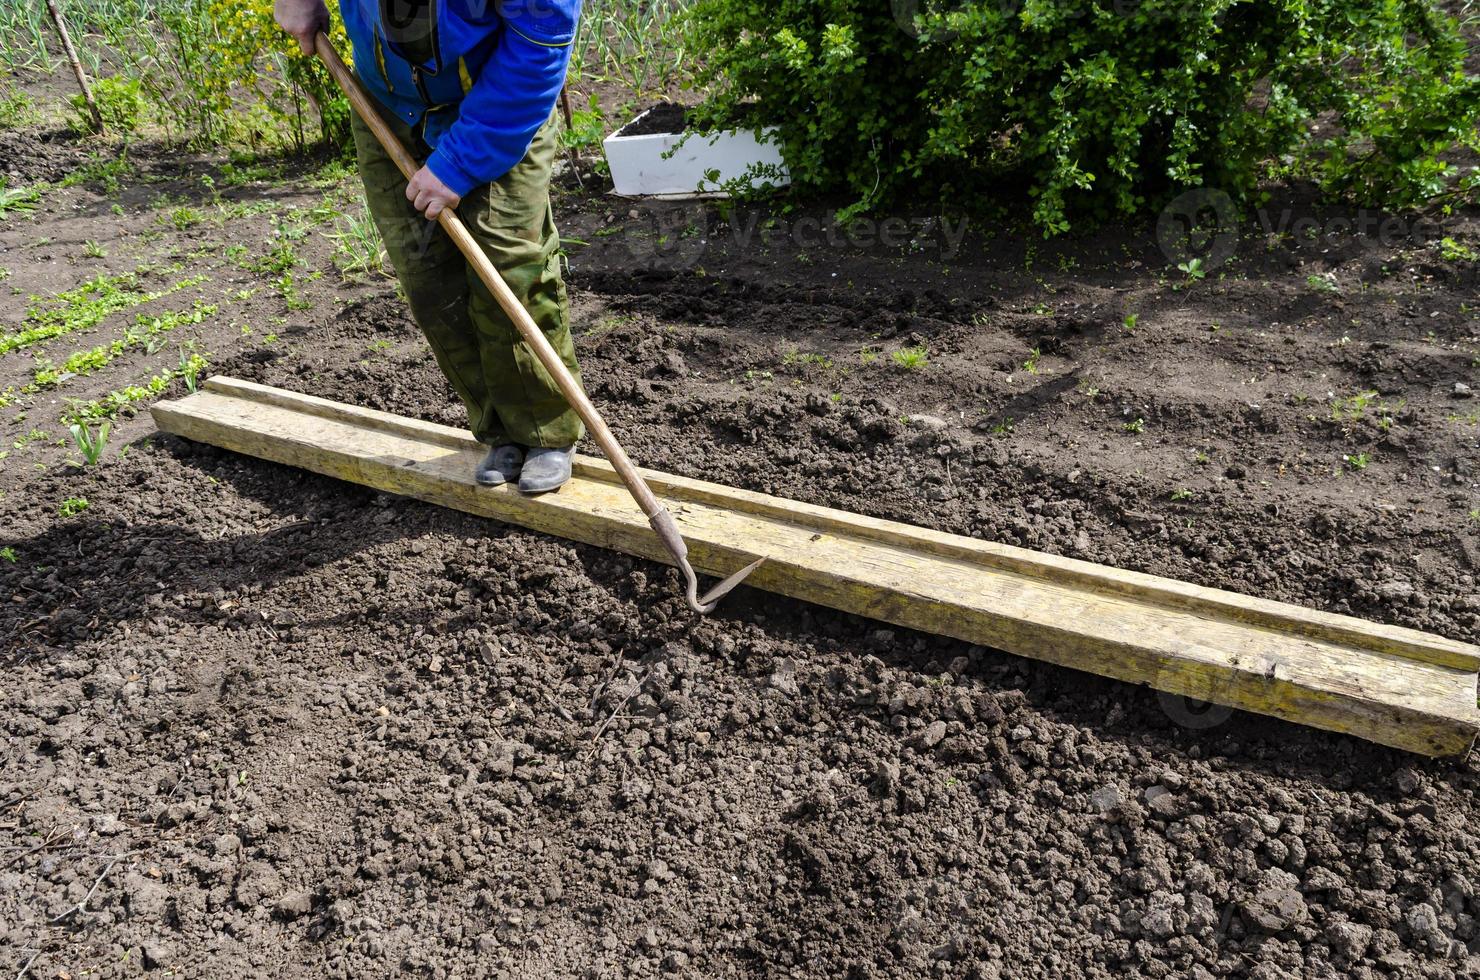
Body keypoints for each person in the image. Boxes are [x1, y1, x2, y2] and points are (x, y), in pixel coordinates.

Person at [273, 0, 585, 493]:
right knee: (427, 277)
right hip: (388, 105)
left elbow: (537, 42)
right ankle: (500, 431)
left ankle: (544, 431)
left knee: (506, 266)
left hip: (499, 99)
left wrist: (459, 163)